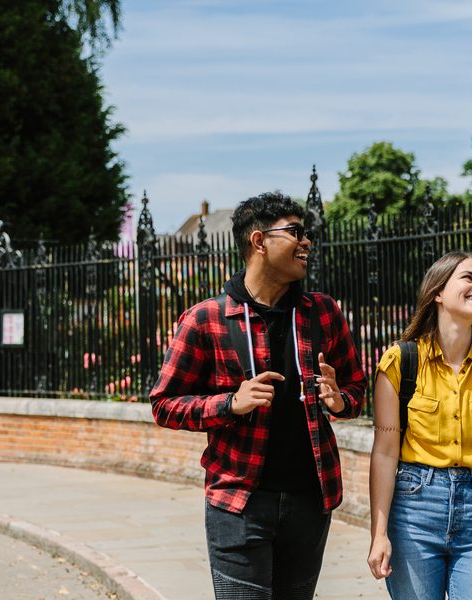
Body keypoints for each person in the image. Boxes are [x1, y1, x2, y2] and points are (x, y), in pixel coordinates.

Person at [150, 191, 367, 599]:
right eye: (295, 232)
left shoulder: (323, 312)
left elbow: (356, 389)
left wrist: (340, 400)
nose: (307, 242)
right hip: (239, 502)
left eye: (307, 233)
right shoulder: (206, 318)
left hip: (310, 499)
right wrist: (229, 404)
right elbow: (164, 404)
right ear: (259, 241)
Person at [366, 251, 472, 599]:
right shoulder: (400, 362)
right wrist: (378, 533)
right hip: (414, 510)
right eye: (469, 278)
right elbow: (384, 453)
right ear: (438, 293)